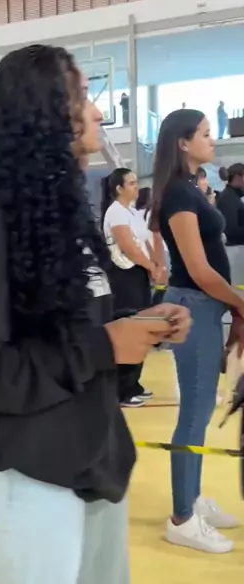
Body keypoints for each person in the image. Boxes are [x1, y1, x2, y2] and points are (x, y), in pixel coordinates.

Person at [0, 44, 190, 584]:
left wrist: (140, 325)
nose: (99, 112)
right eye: (82, 97)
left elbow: (70, 336)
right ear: (46, 112)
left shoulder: (67, 220)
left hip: (93, 467)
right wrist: (103, 347)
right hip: (32, 478)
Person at [150, 108, 244, 554]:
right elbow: (199, 270)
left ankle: (194, 495)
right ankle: (182, 517)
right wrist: (240, 303)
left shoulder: (191, 187)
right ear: (183, 142)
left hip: (207, 306)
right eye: (205, 133)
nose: (212, 139)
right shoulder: (177, 194)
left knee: (202, 409)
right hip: (194, 305)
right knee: (194, 410)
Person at [102, 169, 159, 407]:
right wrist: (149, 265)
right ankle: (122, 389)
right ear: (119, 188)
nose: (137, 187)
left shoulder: (133, 212)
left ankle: (134, 382)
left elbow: (144, 242)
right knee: (130, 326)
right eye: (132, 183)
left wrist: (154, 265)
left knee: (143, 324)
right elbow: (128, 247)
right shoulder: (115, 212)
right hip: (124, 275)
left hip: (138, 273)